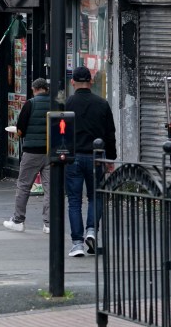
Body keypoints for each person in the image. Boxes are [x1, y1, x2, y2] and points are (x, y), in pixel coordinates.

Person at [65, 66, 117, 258]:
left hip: (74, 157)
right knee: (96, 196)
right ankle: (92, 231)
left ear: (73, 82)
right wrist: (110, 158)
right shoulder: (102, 104)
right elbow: (110, 134)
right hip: (97, 156)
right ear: (91, 81)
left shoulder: (68, 103)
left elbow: (61, 131)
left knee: (74, 201)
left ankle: (77, 243)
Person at [4, 78, 51, 234]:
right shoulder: (55, 103)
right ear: (46, 89)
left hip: (32, 151)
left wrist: (18, 131)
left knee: (24, 185)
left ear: (34, 89)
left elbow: (20, 130)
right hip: (51, 151)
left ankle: (18, 220)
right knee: (50, 188)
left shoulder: (30, 104)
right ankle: (49, 223)